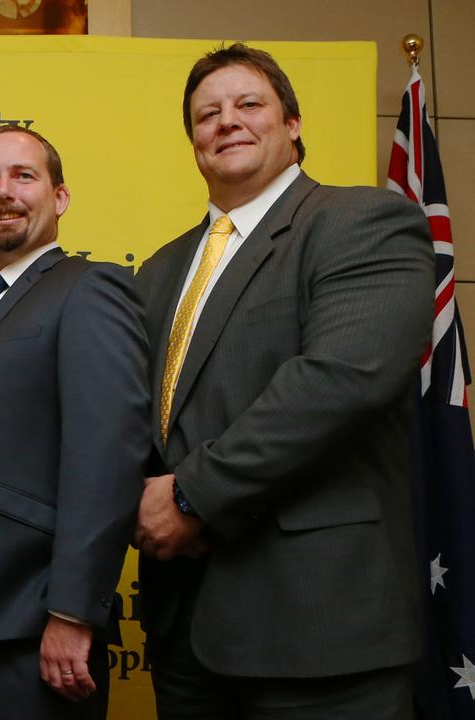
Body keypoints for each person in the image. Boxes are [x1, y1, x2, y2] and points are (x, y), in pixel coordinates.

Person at [133, 43, 434, 719]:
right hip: (183, 627)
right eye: (207, 114)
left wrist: (188, 495)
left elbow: (339, 382)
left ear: (292, 123)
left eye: (248, 104)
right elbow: (128, 417)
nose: (226, 121)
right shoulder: (157, 272)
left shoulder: (361, 222)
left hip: (317, 627)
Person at [0, 126, 148, 719]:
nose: (3, 192)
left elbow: (107, 459)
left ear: (60, 197)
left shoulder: (91, 289)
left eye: (23, 176)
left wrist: (73, 612)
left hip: (34, 623)